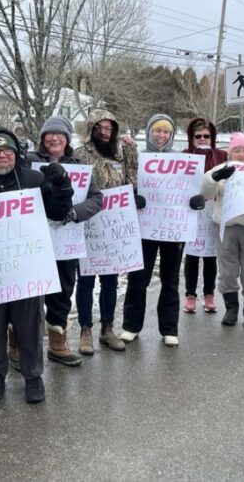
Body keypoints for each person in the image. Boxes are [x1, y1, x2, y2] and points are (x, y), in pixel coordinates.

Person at [0, 128, 73, 403]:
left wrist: (62, 186)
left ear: (16, 155)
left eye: (7, 151)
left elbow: (57, 212)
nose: (1, 155)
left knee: (29, 325)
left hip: (27, 267)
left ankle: (33, 376)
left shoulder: (34, 179)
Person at [25, 115, 103, 366]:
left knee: (62, 292)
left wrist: (75, 213)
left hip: (67, 241)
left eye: (59, 134)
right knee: (30, 294)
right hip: (34, 241)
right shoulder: (29, 162)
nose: (53, 138)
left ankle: (57, 343)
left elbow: (96, 199)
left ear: (67, 138)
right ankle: (21, 344)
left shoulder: (80, 166)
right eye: (49, 134)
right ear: (42, 138)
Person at [73, 108, 139, 355]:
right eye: (99, 127)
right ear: (91, 128)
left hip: (114, 225)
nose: (104, 132)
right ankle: (85, 330)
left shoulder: (122, 151)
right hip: (89, 224)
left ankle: (107, 328)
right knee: (86, 281)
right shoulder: (80, 154)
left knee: (110, 281)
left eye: (108, 128)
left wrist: (134, 196)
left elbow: (132, 177)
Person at [121, 114, 188, 347]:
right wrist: (133, 196)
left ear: (171, 135)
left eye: (166, 132)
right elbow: (126, 183)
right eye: (157, 130)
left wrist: (196, 199)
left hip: (173, 227)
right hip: (144, 227)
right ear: (150, 132)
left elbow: (191, 190)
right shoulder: (140, 159)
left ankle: (169, 328)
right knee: (138, 278)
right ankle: (131, 325)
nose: (161, 135)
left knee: (170, 279)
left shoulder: (182, 161)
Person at [199, 132, 244, 328]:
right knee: (227, 270)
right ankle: (231, 307)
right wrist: (215, 178)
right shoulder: (220, 169)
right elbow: (206, 193)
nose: (242, 154)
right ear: (231, 152)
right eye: (237, 150)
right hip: (225, 227)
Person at [182, 118, 227, 314]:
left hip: (213, 210)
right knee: (191, 255)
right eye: (197, 136)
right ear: (191, 138)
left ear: (213, 137)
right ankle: (190, 294)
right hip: (190, 210)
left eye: (206, 136)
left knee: (210, 256)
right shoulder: (184, 156)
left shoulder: (222, 155)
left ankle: (209, 294)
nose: (202, 139)